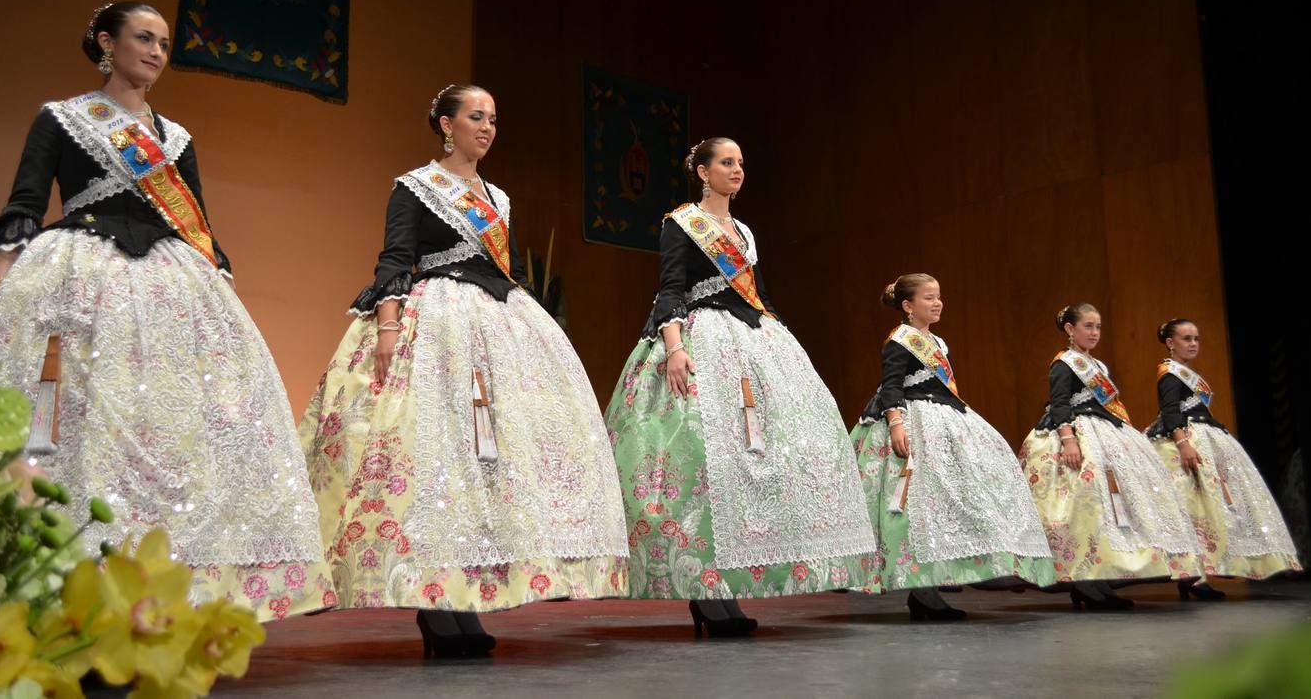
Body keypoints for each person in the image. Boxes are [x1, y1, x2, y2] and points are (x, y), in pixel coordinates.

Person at [0, 1, 332, 621]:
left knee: (174, 424)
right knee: (75, 424)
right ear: (107, 43)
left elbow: (197, 224)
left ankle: (172, 587)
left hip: (169, 282)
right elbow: (25, 201)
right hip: (79, 277)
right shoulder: (61, 117)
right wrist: (0, 288)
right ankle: (68, 584)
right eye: (144, 38)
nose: (157, 52)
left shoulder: (176, 138)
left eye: (164, 42)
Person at [298, 84, 628, 657]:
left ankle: (467, 596)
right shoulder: (415, 186)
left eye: (494, 119)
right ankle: (433, 603)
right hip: (437, 328)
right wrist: (390, 326)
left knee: (490, 466)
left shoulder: (498, 197)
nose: (487, 128)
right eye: (476, 116)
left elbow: (509, 268)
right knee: (436, 460)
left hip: (499, 327)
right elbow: (395, 258)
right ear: (446, 124)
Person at [603, 137, 877, 637]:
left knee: (750, 468)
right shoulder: (681, 223)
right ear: (703, 173)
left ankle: (727, 586)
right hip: (701, 337)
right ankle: (707, 593)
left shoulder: (744, 232)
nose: (737, 170)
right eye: (727, 163)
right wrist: (675, 346)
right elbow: (670, 287)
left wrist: (783, 340)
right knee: (706, 469)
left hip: (754, 341)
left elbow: (758, 293)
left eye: (741, 163)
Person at [850, 273, 1056, 621]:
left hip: (946, 419)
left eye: (939, 296)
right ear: (907, 305)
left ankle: (937, 586)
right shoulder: (900, 340)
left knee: (949, 503)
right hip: (914, 420)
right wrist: (897, 423)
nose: (937, 303)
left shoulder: (939, 344)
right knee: (917, 506)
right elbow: (891, 386)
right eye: (929, 297)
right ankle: (923, 592)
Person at [1018, 304, 1200, 609]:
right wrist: (1068, 440)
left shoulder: (1098, 366)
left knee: (1110, 511)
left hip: (1107, 433)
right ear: (1070, 329)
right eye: (1088, 326)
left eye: (1098, 327)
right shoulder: (1064, 363)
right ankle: (1085, 583)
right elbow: (1059, 403)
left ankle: (1100, 581)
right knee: (1087, 509)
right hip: (1077, 435)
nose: (1094, 333)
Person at [1145, 318, 1300, 598]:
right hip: (1186, 441)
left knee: (1210, 509)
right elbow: (1170, 412)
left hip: (1206, 436)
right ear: (1170, 343)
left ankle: (1199, 575)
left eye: (1196, 338)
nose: (1193, 344)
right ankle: (1193, 577)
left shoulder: (1186, 373)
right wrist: (1183, 445)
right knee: (1193, 509)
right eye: (1186, 338)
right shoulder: (1169, 373)